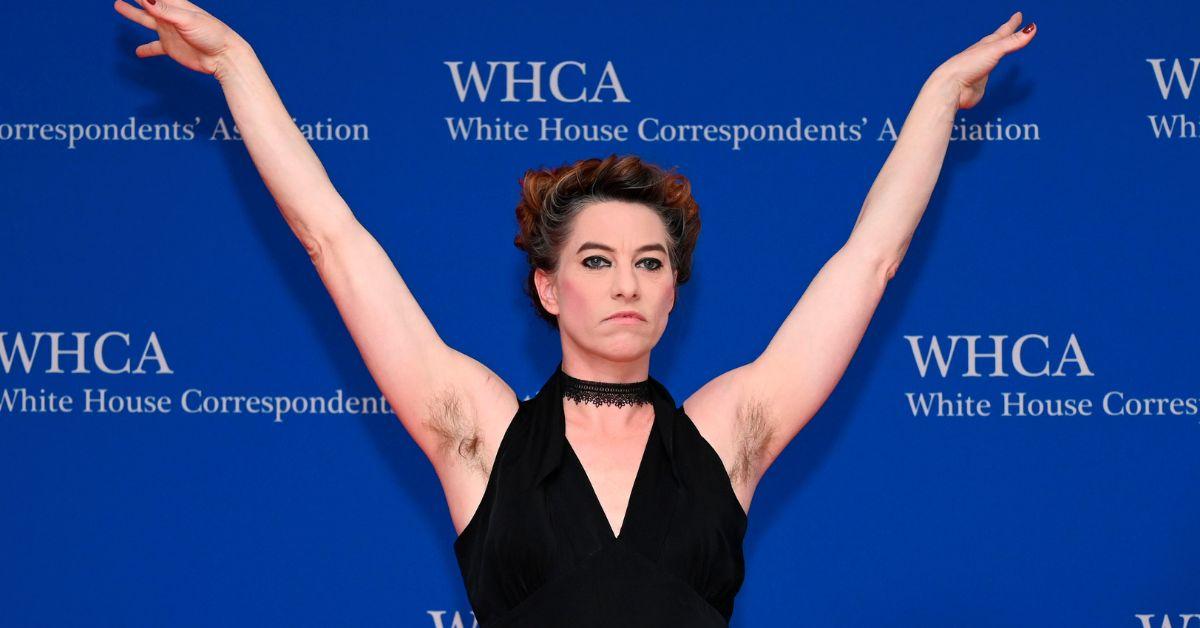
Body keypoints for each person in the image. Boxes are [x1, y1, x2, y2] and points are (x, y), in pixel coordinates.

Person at [114, 1, 1037, 624]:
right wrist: (237, 64)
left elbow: (867, 263)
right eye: (597, 261)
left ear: (676, 289)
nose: (628, 284)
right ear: (550, 288)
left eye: (652, 262)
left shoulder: (728, 435)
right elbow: (335, 242)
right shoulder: (476, 432)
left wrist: (935, 101)